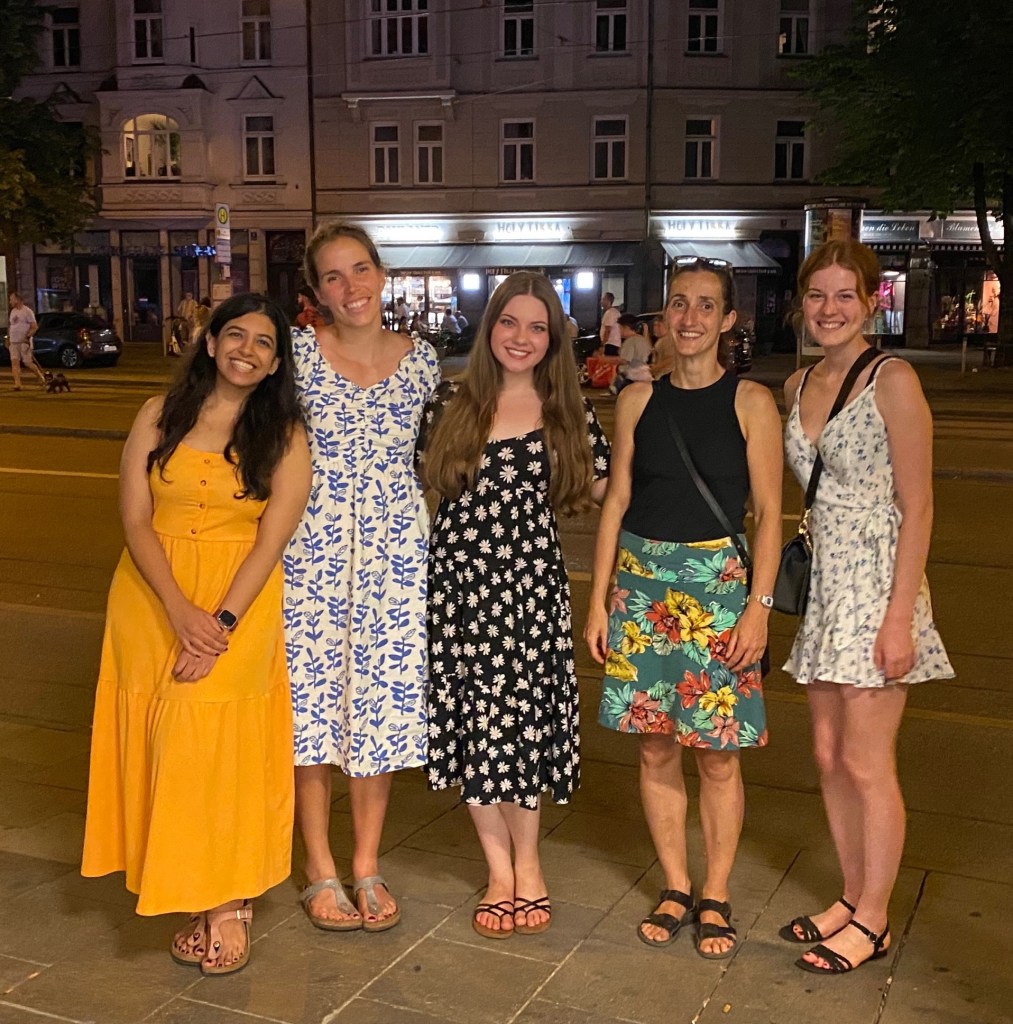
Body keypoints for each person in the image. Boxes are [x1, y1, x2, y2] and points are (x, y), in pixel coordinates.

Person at [81, 293, 311, 975]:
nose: (247, 349)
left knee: (217, 751)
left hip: (238, 606)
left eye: (264, 342)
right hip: (151, 602)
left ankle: (228, 899)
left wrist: (219, 623)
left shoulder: (285, 436)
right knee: (168, 751)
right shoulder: (159, 414)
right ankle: (190, 887)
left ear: (276, 363)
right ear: (210, 343)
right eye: (234, 335)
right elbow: (135, 518)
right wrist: (180, 611)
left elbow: (272, 541)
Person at [585, 259, 782, 958]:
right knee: (655, 745)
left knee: (718, 756)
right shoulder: (638, 401)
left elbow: (768, 515)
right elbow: (616, 502)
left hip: (719, 591)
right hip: (641, 588)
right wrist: (598, 601)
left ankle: (716, 891)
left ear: (727, 320)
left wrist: (758, 608)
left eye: (705, 305)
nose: (690, 317)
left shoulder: (750, 402)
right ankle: (675, 884)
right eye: (678, 303)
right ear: (664, 315)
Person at [779, 239, 953, 975]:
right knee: (827, 755)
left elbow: (919, 505)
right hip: (826, 586)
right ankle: (851, 897)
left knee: (866, 759)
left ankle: (874, 921)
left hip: (879, 585)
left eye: (844, 295)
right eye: (817, 295)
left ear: (870, 301)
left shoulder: (893, 379)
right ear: (801, 303)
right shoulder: (796, 384)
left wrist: (898, 617)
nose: (829, 309)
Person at [419, 271, 610, 939]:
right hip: (458, 594)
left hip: (529, 595)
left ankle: (528, 865)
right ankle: (497, 872)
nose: (521, 337)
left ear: (554, 337)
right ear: (489, 326)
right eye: (509, 322)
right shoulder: (450, 403)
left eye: (537, 326)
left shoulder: (567, 413)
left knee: (521, 730)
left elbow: (615, 495)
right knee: (477, 729)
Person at [285, 222, 441, 933]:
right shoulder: (295, 356)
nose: (350, 287)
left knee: (378, 707)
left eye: (359, 270)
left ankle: (367, 862)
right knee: (311, 711)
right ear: (316, 293)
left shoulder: (421, 361)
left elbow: (442, 452)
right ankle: (320, 866)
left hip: (394, 557)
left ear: (381, 274)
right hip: (309, 552)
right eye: (333, 276)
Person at [5, 292, 47, 390]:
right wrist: (8, 338)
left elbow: (34, 327)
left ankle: (40, 377)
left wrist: (27, 337)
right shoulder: (13, 311)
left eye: (11, 299)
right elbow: (11, 326)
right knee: (14, 362)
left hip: (24, 342)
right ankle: (17, 384)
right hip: (14, 342)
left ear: (17, 299)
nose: (10, 301)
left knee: (28, 362)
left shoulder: (27, 311)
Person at [610, 313, 654, 394]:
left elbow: (624, 360)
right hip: (645, 374)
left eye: (620, 328)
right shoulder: (642, 339)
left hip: (632, 377)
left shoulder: (630, 341)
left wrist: (605, 359)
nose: (619, 331)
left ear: (626, 327)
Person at [599, 292, 621, 356]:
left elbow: (608, 330)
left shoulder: (610, 313)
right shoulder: (614, 312)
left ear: (608, 301)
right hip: (613, 344)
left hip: (610, 344)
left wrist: (603, 344)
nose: (601, 301)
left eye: (603, 299)